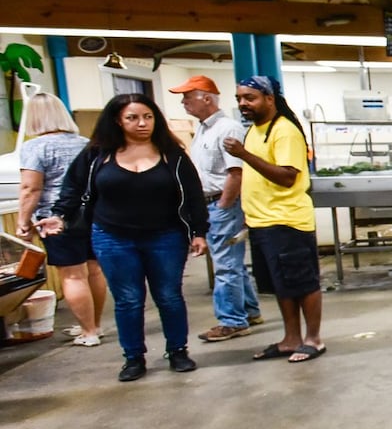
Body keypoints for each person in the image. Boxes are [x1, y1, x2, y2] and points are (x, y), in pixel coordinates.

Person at [37, 94, 208, 382]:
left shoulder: (172, 154)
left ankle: (177, 350)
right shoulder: (97, 153)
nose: (142, 123)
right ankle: (133, 357)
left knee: (169, 296)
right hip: (112, 237)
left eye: (148, 117)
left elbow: (193, 195)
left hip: (165, 237)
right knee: (128, 299)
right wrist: (60, 215)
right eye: (133, 118)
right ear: (118, 120)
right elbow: (73, 187)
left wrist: (199, 231)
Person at [222, 75, 325, 363]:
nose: (244, 104)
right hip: (262, 221)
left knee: (303, 283)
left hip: (287, 221)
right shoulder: (254, 131)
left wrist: (243, 154)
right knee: (282, 285)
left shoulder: (284, 131)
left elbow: (287, 177)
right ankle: (291, 338)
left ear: (269, 98)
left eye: (250, 98)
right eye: (240, 99)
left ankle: (313, 339)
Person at [170, 75, 264, 341]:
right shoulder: (203, 128)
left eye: (188, 97)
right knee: (231, 262)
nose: (184, 102)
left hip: (223, 204)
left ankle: (232, 321)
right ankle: (249, 311)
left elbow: (236, 173)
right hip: (208, 204)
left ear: (207, 98)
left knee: (225, 266)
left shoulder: (228, 128)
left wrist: (223, 206)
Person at [15, 92, 106, 346]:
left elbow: (30, 189)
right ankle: (95, 326)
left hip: (55, 218)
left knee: (73, 275)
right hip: (91, 214)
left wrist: (23, 222)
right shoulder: (85, 143)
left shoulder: (35, 147)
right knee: (94, 271)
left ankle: (87, 333)